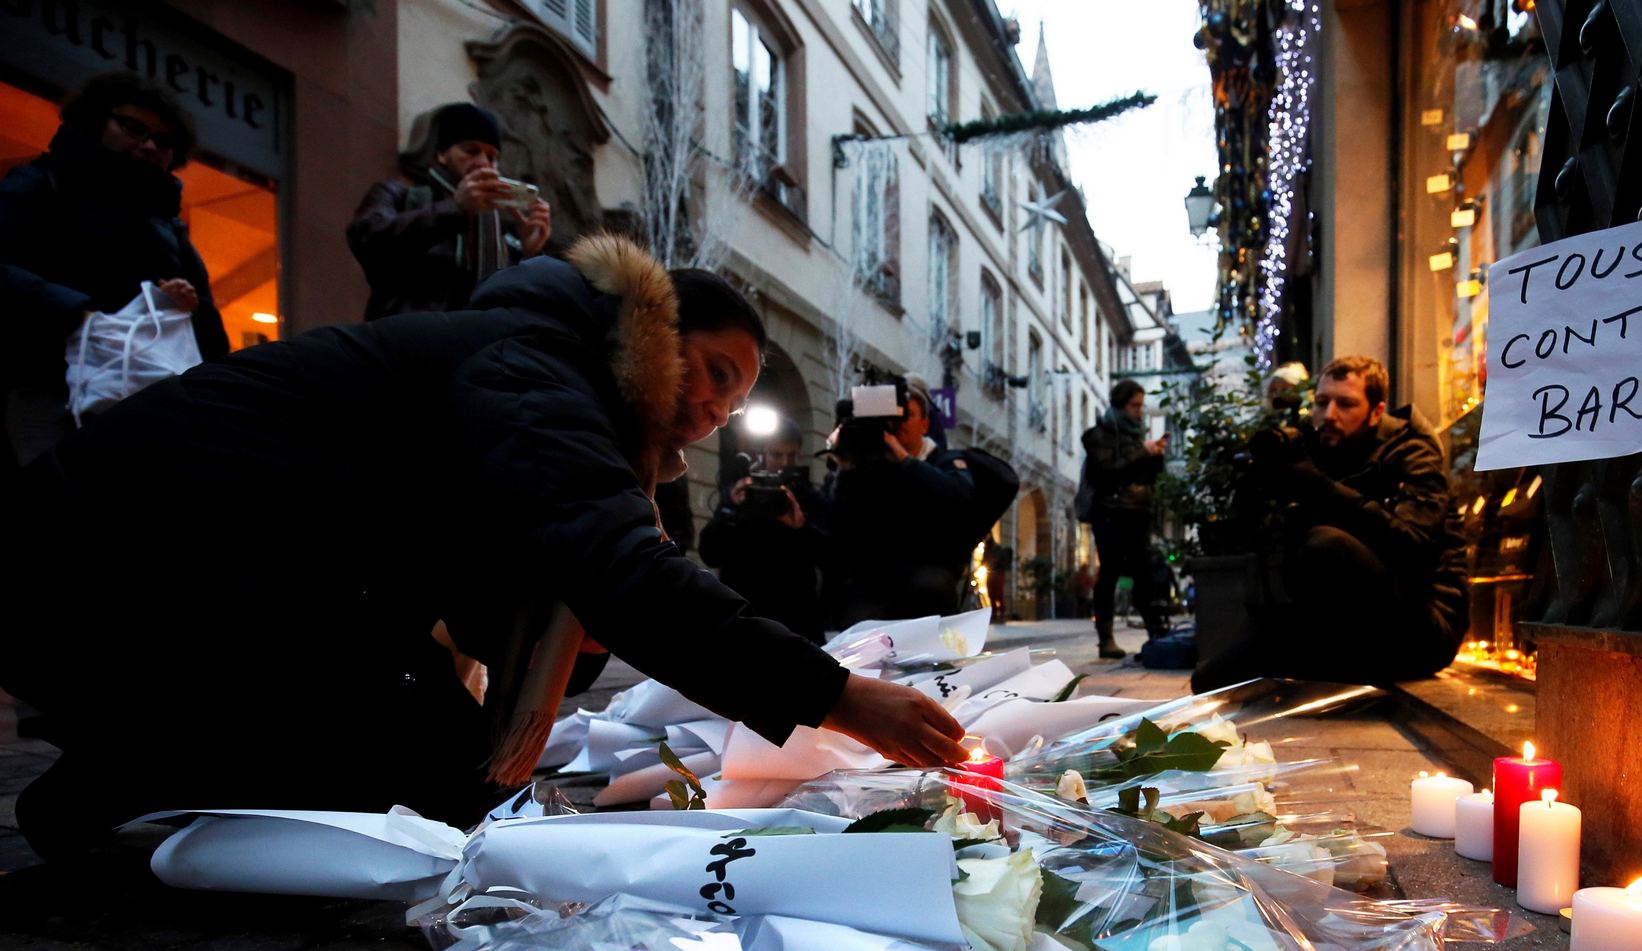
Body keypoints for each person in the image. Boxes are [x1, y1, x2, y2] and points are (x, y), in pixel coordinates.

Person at [0, 233, 966, 858]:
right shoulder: (534, 371)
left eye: (734, 397)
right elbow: (622, 569)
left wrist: (579, 623)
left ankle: (129, 760)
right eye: (713, 373)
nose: (715, 410)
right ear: (655, 334)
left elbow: (488, 593)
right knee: (423, 782)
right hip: (113, 564)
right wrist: (838, 696)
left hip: (225, 577)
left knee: (452, 776)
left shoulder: (546, 377)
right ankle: (127, 764)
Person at [1191, 354, 1468, 689]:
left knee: (1325, 546)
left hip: (1422, 625)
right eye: (1322, 403)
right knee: (1211, 681)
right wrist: (1258, 489)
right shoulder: (1322, 449)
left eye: (1346, 404)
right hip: (1341, 619)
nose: (1329, 415)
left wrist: (1321, 489)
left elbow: (1413, 544)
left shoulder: (1413, 452)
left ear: (1377, 411)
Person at [0, 72, 229, 473]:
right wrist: (75, 312)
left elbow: (211, 337)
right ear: (96, 122)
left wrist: (182, 307)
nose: (149, 146)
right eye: (133, 128)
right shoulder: (40, 184)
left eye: (163, 141)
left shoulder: (169, 228)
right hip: (44, 386)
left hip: (142, 405)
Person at [827, 376, 1012, 624]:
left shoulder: (945, 461)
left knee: (930, 586)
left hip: (928, 591)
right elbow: (838, 524)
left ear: (925, 424)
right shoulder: (870, 467)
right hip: (873, 592)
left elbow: (960, 496)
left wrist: (905, 461)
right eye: (891, 416)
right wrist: (846, 468)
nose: (897, 423)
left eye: (907, 415)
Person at [347, 103, 554, 320]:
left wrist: (529, 254)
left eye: (492, 157)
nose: (483, 163)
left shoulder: (505, 228)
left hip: (481, 338)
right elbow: (366, 239)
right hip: (407, 334)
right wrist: (456, 209)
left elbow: (522, 305)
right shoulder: (399, 195)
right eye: (471, 151)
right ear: (442, 154)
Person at [699, 418, 832, 642]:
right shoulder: (744, 495)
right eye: (777, 455)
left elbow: (831, 558)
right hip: (746, 618)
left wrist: (801, 527)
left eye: (791, 456)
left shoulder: (808, 497)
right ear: (761, 454)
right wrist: (731, 511)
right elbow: (710, 553)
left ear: (799, 454)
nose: (784, 463)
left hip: (797, 620)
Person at [1083, 379, 1168, 658]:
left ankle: (1156, 634)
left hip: (1138, 512)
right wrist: (1143, 451)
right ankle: (1105, 639)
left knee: (1144, 573)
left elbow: (1148, 476)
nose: (1139, 411)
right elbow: (1105, 471)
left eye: (1141, 406)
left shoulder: (1135, 435)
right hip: (1110, 512)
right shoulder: (1098, 435)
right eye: (1135, 405)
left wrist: (1155, 455)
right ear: (1120, 404)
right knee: (1109, 573)